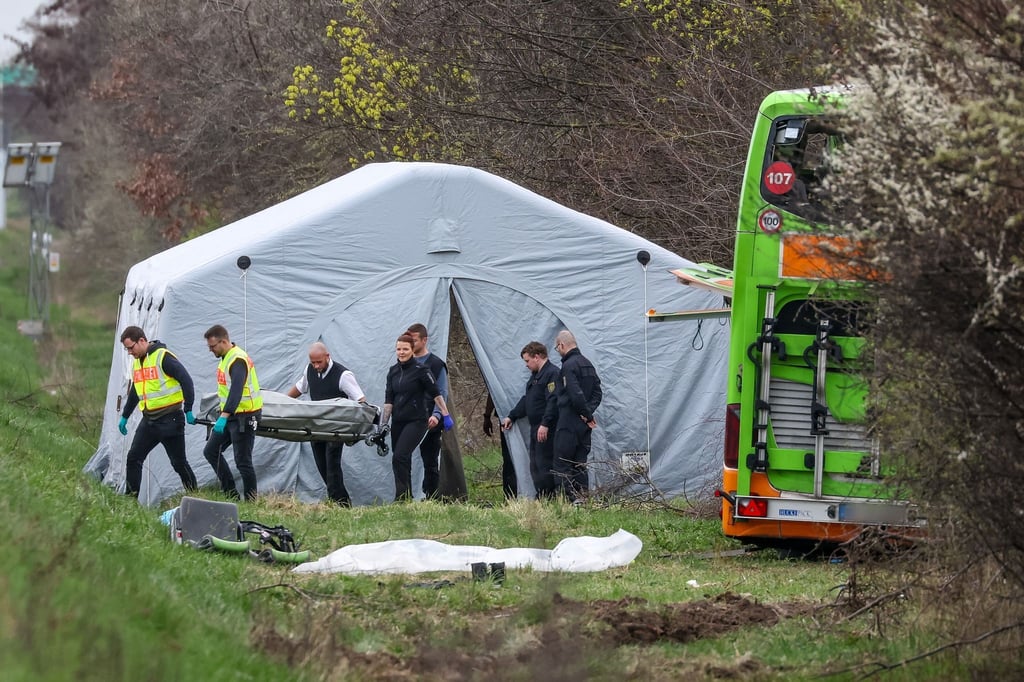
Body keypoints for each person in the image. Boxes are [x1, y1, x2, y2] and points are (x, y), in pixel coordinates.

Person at [117, 326, 199, 497]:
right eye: (127, 349)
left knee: (179, 463)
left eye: (131, 348)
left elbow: (187, 381)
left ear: (141, 341)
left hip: (170, 420)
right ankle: (129, 502)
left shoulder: (163, 357)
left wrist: (188, 408)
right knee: (133, 458)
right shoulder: (138, 362)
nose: (130, 352)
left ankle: (196, 496)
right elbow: (136, 391)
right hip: (149, 421)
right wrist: (125, 415)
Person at [286, 341, 366, 506]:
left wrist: (356, 424)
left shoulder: (343, 375)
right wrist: (282, 402)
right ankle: (339, 502)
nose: (316, 366)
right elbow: (300, 388)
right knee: (322, 467)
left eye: (319, 362)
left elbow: (360, 400)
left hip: (336, 429)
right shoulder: (309, 371)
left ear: (327, 357)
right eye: (313, 362)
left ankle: (341, 505)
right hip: (316, 428)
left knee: (332, 467)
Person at [380, 333, 454, 501]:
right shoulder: (393, 372)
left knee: (400, 455)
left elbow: (437, 394)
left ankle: (401, 498)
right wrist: (383, 424)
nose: (401, 352)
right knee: (399, 459)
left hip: (417, 420)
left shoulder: (422, 371)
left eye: (405, 349)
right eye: (398, 349)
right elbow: (388, 400)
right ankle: (406, 497)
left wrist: (445, 414)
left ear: (412, 350)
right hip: (398, 420)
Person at [202, 324, 263, 501]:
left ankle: (251, 501)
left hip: (245, 415)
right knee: (211, 451)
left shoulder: (238, 360)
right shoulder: (226, 357)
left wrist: (224, 416)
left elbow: (236, 390)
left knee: (243, 461)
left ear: (223, 341)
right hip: (231, 416)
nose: (210, 350)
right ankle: (231, 493)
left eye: (212, 346)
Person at [501, 341, 560, 499]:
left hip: (546, 429)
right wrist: (512, 416)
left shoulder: (552, 374)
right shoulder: (535, 377)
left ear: (537, 357)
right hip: (536, 427)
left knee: (544, 463)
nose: (526, 365)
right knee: (535, 464)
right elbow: (528, 400)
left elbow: (553, 401)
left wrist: (545, 424)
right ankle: (541, 494)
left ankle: (550, 496)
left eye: (527, 361)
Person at [552, 330, 602, 502]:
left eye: (557, 348)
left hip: (569, 422)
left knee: (562, 463)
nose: (557, 351)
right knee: (580, 464)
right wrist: (588, 414)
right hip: (583, 425)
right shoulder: (588, 364)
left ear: (562, 345)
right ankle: (584, 499)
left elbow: (575, 394)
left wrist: (585, 414)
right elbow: (598, 392)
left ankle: (569, 501)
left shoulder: (568, 366)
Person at [405, 323, 449, 499]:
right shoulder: (405, 363)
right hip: (409, 418)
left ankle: (432, 496)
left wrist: (438, 415)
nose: (411, 344)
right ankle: (405, 496)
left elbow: (442, 392)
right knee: (402, 457)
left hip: (430, 418)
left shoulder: (436, 364)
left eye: (414, 340)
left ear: (424, 340)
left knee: (430, 460)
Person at [484, 394, 516, 500]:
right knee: (509, 458)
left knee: (509, 459)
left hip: (514, 413)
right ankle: (510, 496)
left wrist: (487, 416)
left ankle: (512, 496)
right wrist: (487, 416)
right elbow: (493, 392)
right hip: (506, 414)